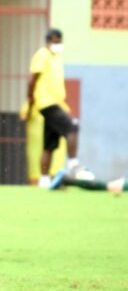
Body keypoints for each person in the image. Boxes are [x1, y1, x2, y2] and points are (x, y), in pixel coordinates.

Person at [27, 28, 93, 188]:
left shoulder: (57, 58)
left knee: (49, 144)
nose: (58, 44)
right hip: (46, 103)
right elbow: (32, 80)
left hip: (56, 103)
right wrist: (30, 102)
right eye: (55, 42)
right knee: (73, 126)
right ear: (49, 41)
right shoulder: (42, 55)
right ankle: (73, 164)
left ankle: (43, 180)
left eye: (60, 42)